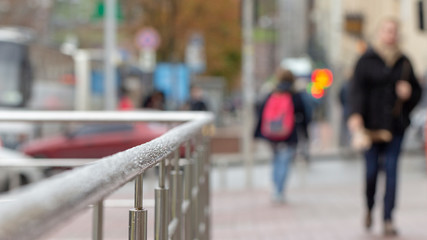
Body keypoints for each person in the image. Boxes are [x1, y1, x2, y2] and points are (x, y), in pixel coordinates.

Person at [348, 17, 422, 236]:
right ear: (379, 32)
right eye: (387, 30)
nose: (390, 35)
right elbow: (355, 90)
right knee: (371, 172)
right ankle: (369, 207)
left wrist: (408, 94)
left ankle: (388, 218)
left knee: (391, 172)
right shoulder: (366, 60)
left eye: (394, 31)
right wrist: (355, 115)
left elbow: (417, 93)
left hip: (395, 126)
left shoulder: (405, 62)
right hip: (370, 127)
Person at [254, 68, 308, 204]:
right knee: (284, 161)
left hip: (271, 133)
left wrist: (257, 133)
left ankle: (275, 188)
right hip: (288, 134)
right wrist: (305, 133)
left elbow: (260, 111)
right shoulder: (295, 94)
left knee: (275, 160)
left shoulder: (272, 92)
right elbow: (304, 114)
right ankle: (279, 190)